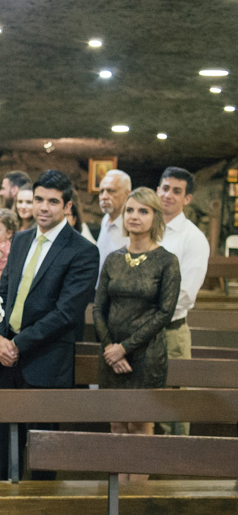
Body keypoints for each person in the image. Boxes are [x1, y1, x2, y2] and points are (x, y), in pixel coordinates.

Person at [0, 170, 99, 481]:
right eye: (38, 199)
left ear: (67, 207)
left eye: (53, 201)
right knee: (1, 442)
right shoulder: (22, 239)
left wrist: (18, 344)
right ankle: (0, 514)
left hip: (46, 359)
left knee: (40, 449)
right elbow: (3, 292)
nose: (43, 207)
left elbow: (67, 313)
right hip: (5, 357)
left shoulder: (82, 250)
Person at [93, 188, 180, 479]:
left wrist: (125, 348)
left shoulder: (167, 261)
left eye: (143, 211)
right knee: (116, 425)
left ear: (155, 217)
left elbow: (164, 314)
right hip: (110, 356)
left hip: (146, 356)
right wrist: (110, 348)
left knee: (140, 426)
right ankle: (116, 499)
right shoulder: (114, 259)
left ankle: (137, 497)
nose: (135, 216)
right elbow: (98, 308)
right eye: (130, 210)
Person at [156, 166, 210, 436]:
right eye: (165, 188)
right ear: (157, 190)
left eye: (177, 191)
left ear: (187, 198)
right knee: (144, 407)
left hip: (170, 331)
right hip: (138, 333)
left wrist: (147, 320)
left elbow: (185, 293)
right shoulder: (146, 227)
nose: (168, 195)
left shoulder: (193, 238)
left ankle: (172, 475)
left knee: (172, 409)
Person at [96, 169, 132, 274]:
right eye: (101, 191)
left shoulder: (132, 224)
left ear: (127, 194)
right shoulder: (105, 219)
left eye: (111, 191)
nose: (104, 197)